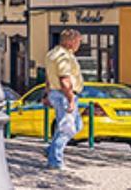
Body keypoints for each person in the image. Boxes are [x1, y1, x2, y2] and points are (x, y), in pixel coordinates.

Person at [45, 29, 85, 171]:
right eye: (78, 41)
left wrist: (48, 93)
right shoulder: (64, 57)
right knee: (66, 129)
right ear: (70, 41)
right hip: (65, 95)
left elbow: (48, 77)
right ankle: (55, 160)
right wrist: (71, 100)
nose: (79, 44)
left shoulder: (52, 54)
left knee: (77, 125)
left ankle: (51, 149)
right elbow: (65, 80)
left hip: (57, 93)